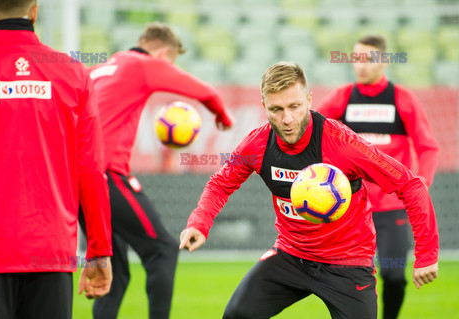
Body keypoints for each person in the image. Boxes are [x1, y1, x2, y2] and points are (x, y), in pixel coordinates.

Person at [179, 62, 439, 319]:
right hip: (291, 256)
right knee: (236, 315)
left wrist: (426, 254)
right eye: (276, 109)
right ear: (264, 107)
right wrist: (199, 223)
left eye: (294, 107)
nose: (287, 119)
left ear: (309, 99)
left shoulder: (343, 144)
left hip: (347, 265)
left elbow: (410, 185)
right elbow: (220, 183)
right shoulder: (255, 144)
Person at [79, 21, 234, 319]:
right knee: (162, 249)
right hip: (105, 174)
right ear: (163, 53)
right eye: (171, 63)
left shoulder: (99, 69)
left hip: (76, 179)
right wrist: (223, 116)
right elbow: (206, 92)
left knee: (116, 271)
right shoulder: (142, 64)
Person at [0, 0, 113, 318]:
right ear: (35, 11)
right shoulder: (74, 73)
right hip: (50, 253)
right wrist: (99, 251)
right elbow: (93, 171)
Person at [315, 35, 439, 319]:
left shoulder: (403, 100)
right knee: (351, 276)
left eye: (368, 59)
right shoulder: (342, 97)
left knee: (394, 274)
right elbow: (314, 130)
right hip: (352, 207)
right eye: (356, 59)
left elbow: (427, 147)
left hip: (392, 208)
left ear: (383, 60)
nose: (361, 65)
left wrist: (422, 185)